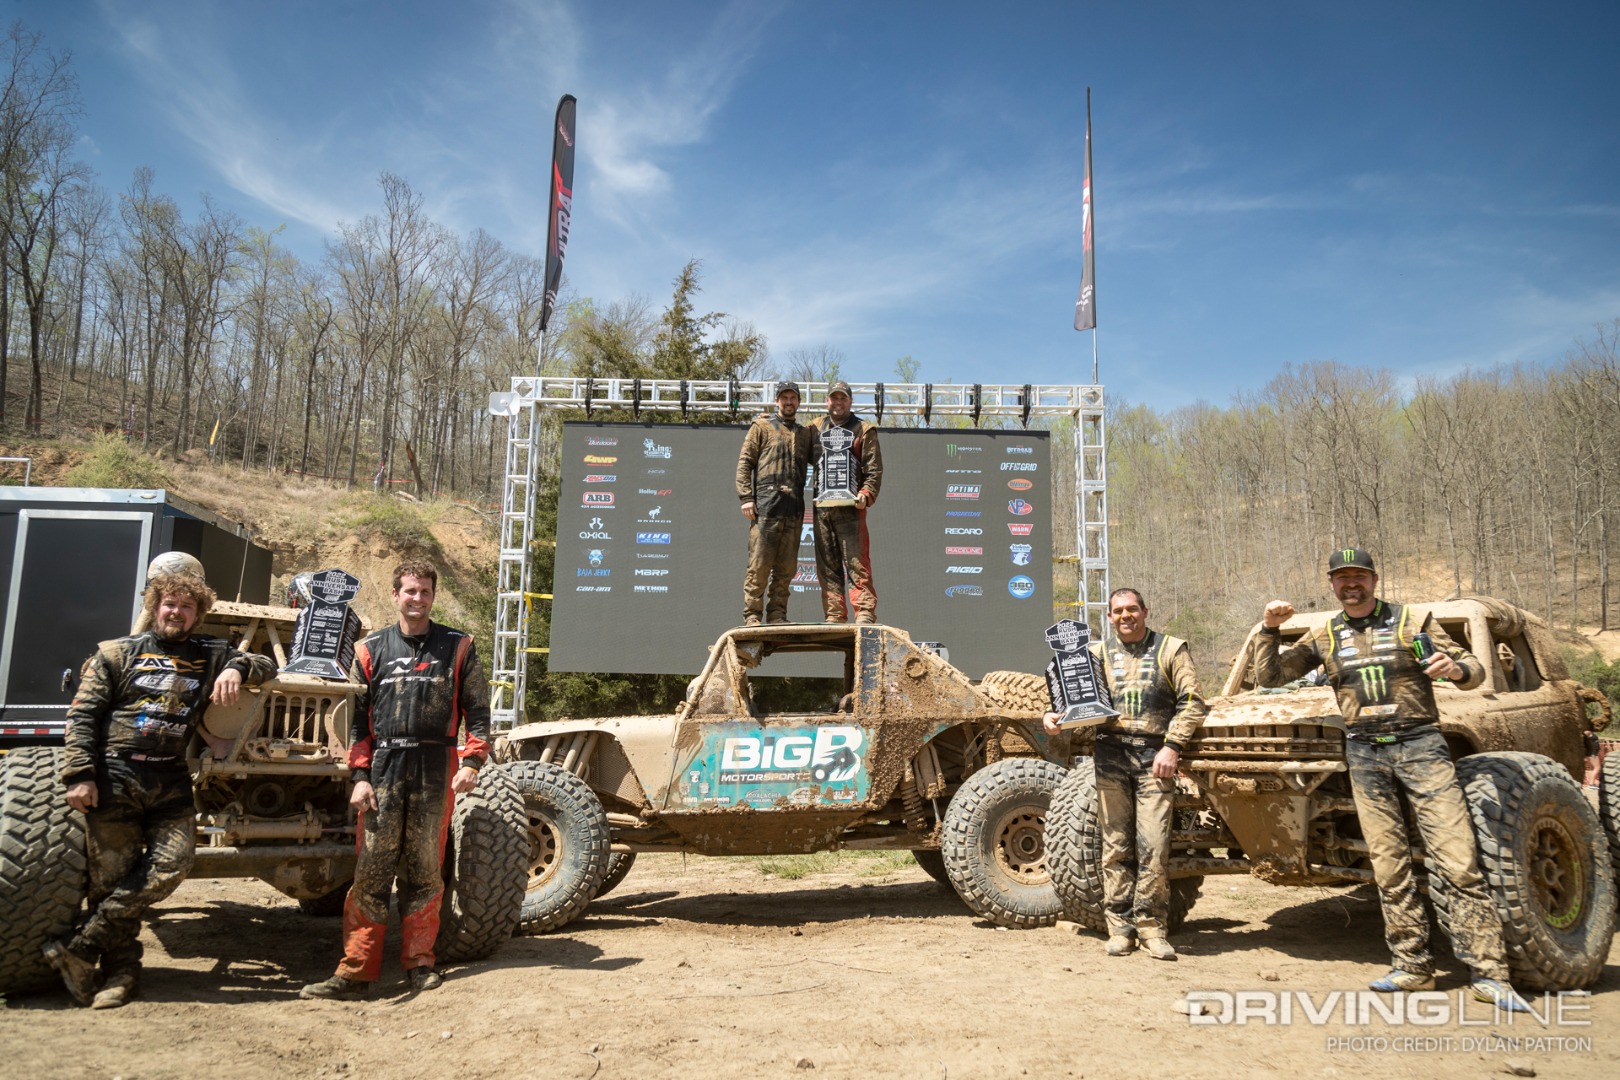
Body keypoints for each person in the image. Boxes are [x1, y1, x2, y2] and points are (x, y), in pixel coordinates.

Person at [1254, 547, 1530, 1011]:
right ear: (1332, 585)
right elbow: (1272, 677)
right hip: (1364, 751)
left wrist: (1457, 668)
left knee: (1456, 858)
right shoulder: (1326, 635)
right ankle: (1412, 966)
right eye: (1342, 578)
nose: (1351, 584)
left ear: (1374, 580)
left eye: (1359, 576)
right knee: (1389, 863)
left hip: (1421, 745)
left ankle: (1489, 972)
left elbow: (1475, 670)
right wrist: (1269, 629)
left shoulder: (1412, 623)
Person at [47, 571, 275, 1009]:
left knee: (174, 864)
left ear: (198, 614)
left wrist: (235, 665)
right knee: (110, 880)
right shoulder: (116, 654)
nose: (176, 612)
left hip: (169, 778)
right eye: (169, 603)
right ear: (155, 606)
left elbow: (268, 665)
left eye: (186, 606)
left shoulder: (208, 652)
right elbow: (82, 718)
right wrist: (79, 774)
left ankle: (79, 947)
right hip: (116, 774)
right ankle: (120, 976)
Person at [300, 560, 491, 1000]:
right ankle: (355, 971)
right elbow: (356, 724)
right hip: (384, 768)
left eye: (425, 591)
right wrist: (360, 776)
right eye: (410, 591)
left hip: (436, 765)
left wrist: (472, 762)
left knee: (426, 870)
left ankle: (420, 964)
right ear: (394, 595)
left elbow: (478, 713)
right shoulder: (369, 650)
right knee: (370, 872)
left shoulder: (459, 646)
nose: (417, 599)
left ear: (433, 596)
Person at [1045, 588, 1206, 960]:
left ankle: (1152, 930)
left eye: (1132, 609)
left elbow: (1193, 701)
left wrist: (1173, 746)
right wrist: (1052, 717)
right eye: (1118, 611)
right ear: (1110, 616)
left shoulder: (1170, 649)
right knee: (1114, 846)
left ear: (1145, 611)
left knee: (1153, 846)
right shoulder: (1094, 654)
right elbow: (1070, 700)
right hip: (1110, 754)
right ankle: (1119, 928)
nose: (1125, 616)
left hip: (1155, 758)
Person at [735, 380, 814, 626]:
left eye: (793, 398)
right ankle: (752, 616)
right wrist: (747, 497)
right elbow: (745, 463)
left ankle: (778, 614)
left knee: (786, 569)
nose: (788, 402)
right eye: (784, 398)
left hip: (793, 508)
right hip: (767, 507)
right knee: (759, 566)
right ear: (777, 401)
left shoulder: (804, 434)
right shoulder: (761, 426)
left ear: (799, 402)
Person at [808, 380, 883, 623]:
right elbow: (791, 446)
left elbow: (873, 471)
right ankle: (834, 615)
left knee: (857, 563)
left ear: (850, 401)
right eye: (834, 398)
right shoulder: (814, 428)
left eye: (843, 398)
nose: (838, 402)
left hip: (851, 509)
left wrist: (866, 494)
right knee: (827, 565)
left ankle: (864, 613)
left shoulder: (864, 429)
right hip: (822, 509)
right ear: (827, 401)